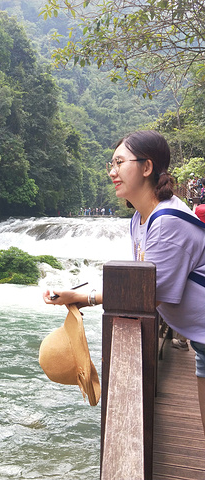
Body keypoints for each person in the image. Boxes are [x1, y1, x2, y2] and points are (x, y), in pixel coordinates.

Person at [43, 130, 205, 433]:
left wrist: (85, 298)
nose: (112, 172)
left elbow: (146, 297)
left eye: (119, 162)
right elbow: (137, 282)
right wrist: (78, 295)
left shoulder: (166, 221)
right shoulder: (140, 219)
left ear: (146, 167)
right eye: (111, 164)